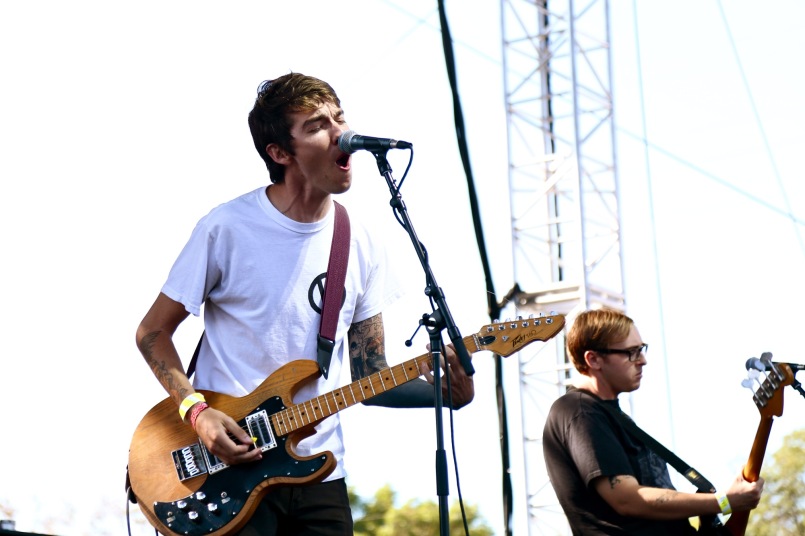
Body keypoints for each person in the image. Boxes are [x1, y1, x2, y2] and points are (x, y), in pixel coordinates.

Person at [135, 72, 475, 535]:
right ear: (280, 153)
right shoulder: (227, 228)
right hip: (223, 470)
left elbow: (371, 377)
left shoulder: (361, 244)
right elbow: (152, 332)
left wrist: (442, 395)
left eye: (340, 117)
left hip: (318, 475)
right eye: (317, 125)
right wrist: (197, 413)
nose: (341, 133)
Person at [542, 308, 763, 535]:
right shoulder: (579, 412)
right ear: (594, 359)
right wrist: (724, 502)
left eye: (642, 349)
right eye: (632, 352)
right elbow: (628, 500)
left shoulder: (612, 417)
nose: (643, 360)